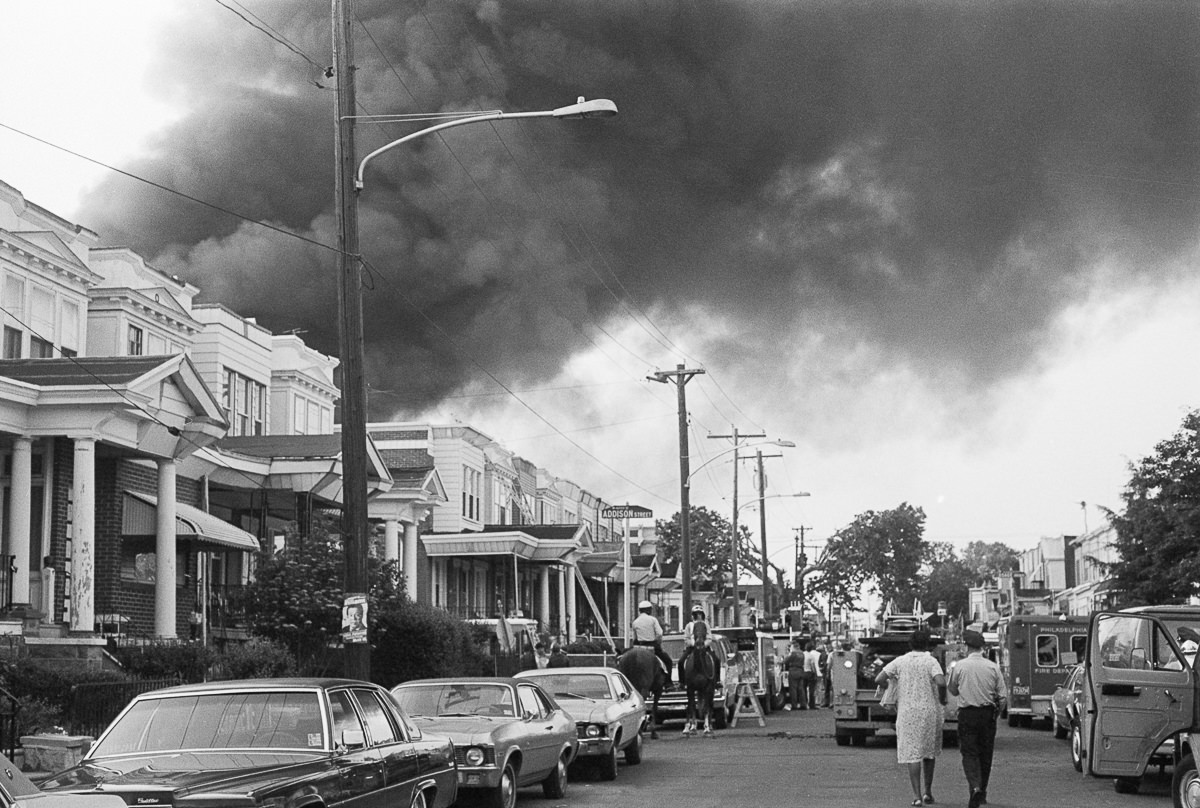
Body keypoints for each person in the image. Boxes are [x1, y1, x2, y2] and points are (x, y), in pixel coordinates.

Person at [876, 629, 947, 807]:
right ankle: (928, 792)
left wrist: (891, 686)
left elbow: (879, 678)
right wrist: (942, 697)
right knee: (929, 752)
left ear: (910, 644)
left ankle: (916, 796)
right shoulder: (931, 661)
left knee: (913, 753)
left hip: (907, 712)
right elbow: (941, 682)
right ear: (927, 644)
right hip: (929, 711)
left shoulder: (900, 661)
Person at [948, 630, 1006, 808]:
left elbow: (953, 689)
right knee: (985, 754)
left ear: (967, 646)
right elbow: (1003, 697)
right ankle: (982, 791)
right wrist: (996, 714)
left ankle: (974, 786)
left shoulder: (960, 666)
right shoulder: (993, 667)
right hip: (987, 714)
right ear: (982, 648)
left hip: (967, 714)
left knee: (969, 753)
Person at [631, 600, 674, 673]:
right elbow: (659, 633)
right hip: (653, 646)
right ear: (648, 610)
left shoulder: (635, 622)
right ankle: (668, 681)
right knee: (668, 661)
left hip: (640, 647)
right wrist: (658, 643)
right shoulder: (653, 620)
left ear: (640, 610)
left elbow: (634, 638)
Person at [677, 606, 709, 682]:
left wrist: (704, 644)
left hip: (704, 647)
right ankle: (682, 681)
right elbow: (686, 638)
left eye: (700, 614)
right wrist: (693, 644)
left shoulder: (706, 625)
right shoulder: (689, 626)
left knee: (716, 660)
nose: (698, 616)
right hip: (692, 648)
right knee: (681, 662)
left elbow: (709, 637)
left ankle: (716, 680)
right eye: (696, 614)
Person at [783, 640, 808, 710]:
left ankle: (794, 705)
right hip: (800, 671)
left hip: (793, 671)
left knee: (793, 689)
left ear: (793, 646)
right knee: (801, 689)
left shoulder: (793, 653)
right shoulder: (802, 653)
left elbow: (786, 661)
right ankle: (803, 704)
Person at [803, 641, 821, 709]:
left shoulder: (802, 654)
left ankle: (804, 703)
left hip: (803, 673)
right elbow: (813, 666)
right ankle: (812, 704)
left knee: (803, 689)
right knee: (811, 690)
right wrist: (815, 674)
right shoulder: (811, 656)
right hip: (809, 673)